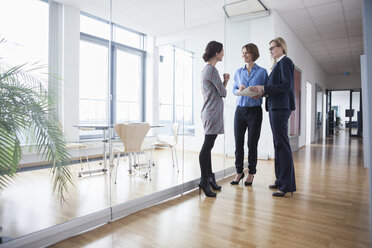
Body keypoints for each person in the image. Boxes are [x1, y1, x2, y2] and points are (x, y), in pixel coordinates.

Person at [251, 37, 296, 197]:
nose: (270, 51)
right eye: (269, 48)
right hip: (275, 107)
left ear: (282, 47)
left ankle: (286, 185)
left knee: (282, 144)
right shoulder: (277, 64)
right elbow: (276, 88)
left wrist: (264, 87)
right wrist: (262, 93)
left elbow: (285, 86)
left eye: (273, 47)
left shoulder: (285, 62)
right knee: (278, 144)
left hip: (280, 107)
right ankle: (280, 180)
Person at [230, 43, 268, 186]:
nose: (244, 55)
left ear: (253, 54)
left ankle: (251, 173)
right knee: (238, 142)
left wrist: (260, 95)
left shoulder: (263, 72)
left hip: (255, 112)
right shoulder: (238, 72)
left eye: (246, 52)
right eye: (243, 52)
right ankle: (239, 171)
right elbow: (233, 90)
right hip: (240, 111)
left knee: (252, 143)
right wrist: (238, 90)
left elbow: (266, 90)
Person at [199, 41, 230, 197]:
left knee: (208, 146)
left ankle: (210, 177)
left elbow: (218, 92)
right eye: (222, 52)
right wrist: (226, 81)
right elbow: (223, 93)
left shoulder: (207, 70)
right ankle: (204, 180)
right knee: (207, 146)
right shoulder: (212, 70)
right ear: (216, 53)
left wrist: (223, 83)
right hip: (212, 112)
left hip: (210, 112)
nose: (223, 54)